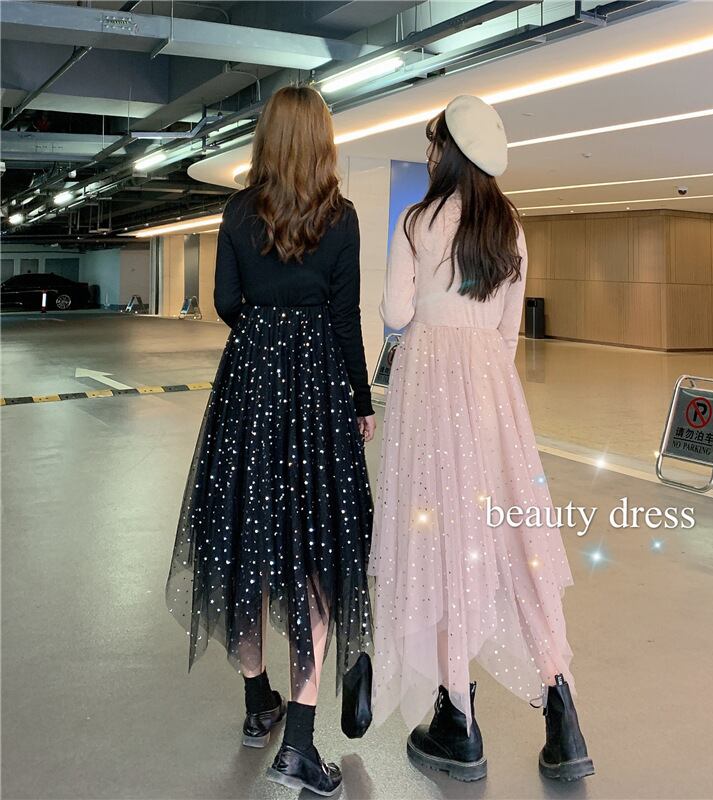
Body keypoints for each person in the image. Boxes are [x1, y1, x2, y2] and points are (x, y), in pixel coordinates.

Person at [370, 95, 593, 783]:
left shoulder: (416, 221)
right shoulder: (510, 226)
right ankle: (562, 714)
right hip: (495, 398)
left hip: (430, 400)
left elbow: (396, 312)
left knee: (441, 545)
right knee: (517, 542)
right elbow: (507, 333)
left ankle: (458, 724)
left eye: (434, 143)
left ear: (448, 152)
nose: (430, 153)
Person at [166, 86, 375, 796]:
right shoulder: (341, 216)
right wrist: (359, 401)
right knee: (317, 550)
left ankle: (258, 704)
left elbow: (226, 302)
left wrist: (264, 328)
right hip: (316, 391)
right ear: (321, 142)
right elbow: (345, 318)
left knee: (244, 542)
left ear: (266, 140)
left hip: (250, 388)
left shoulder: (235, 212)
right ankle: (300, 746)